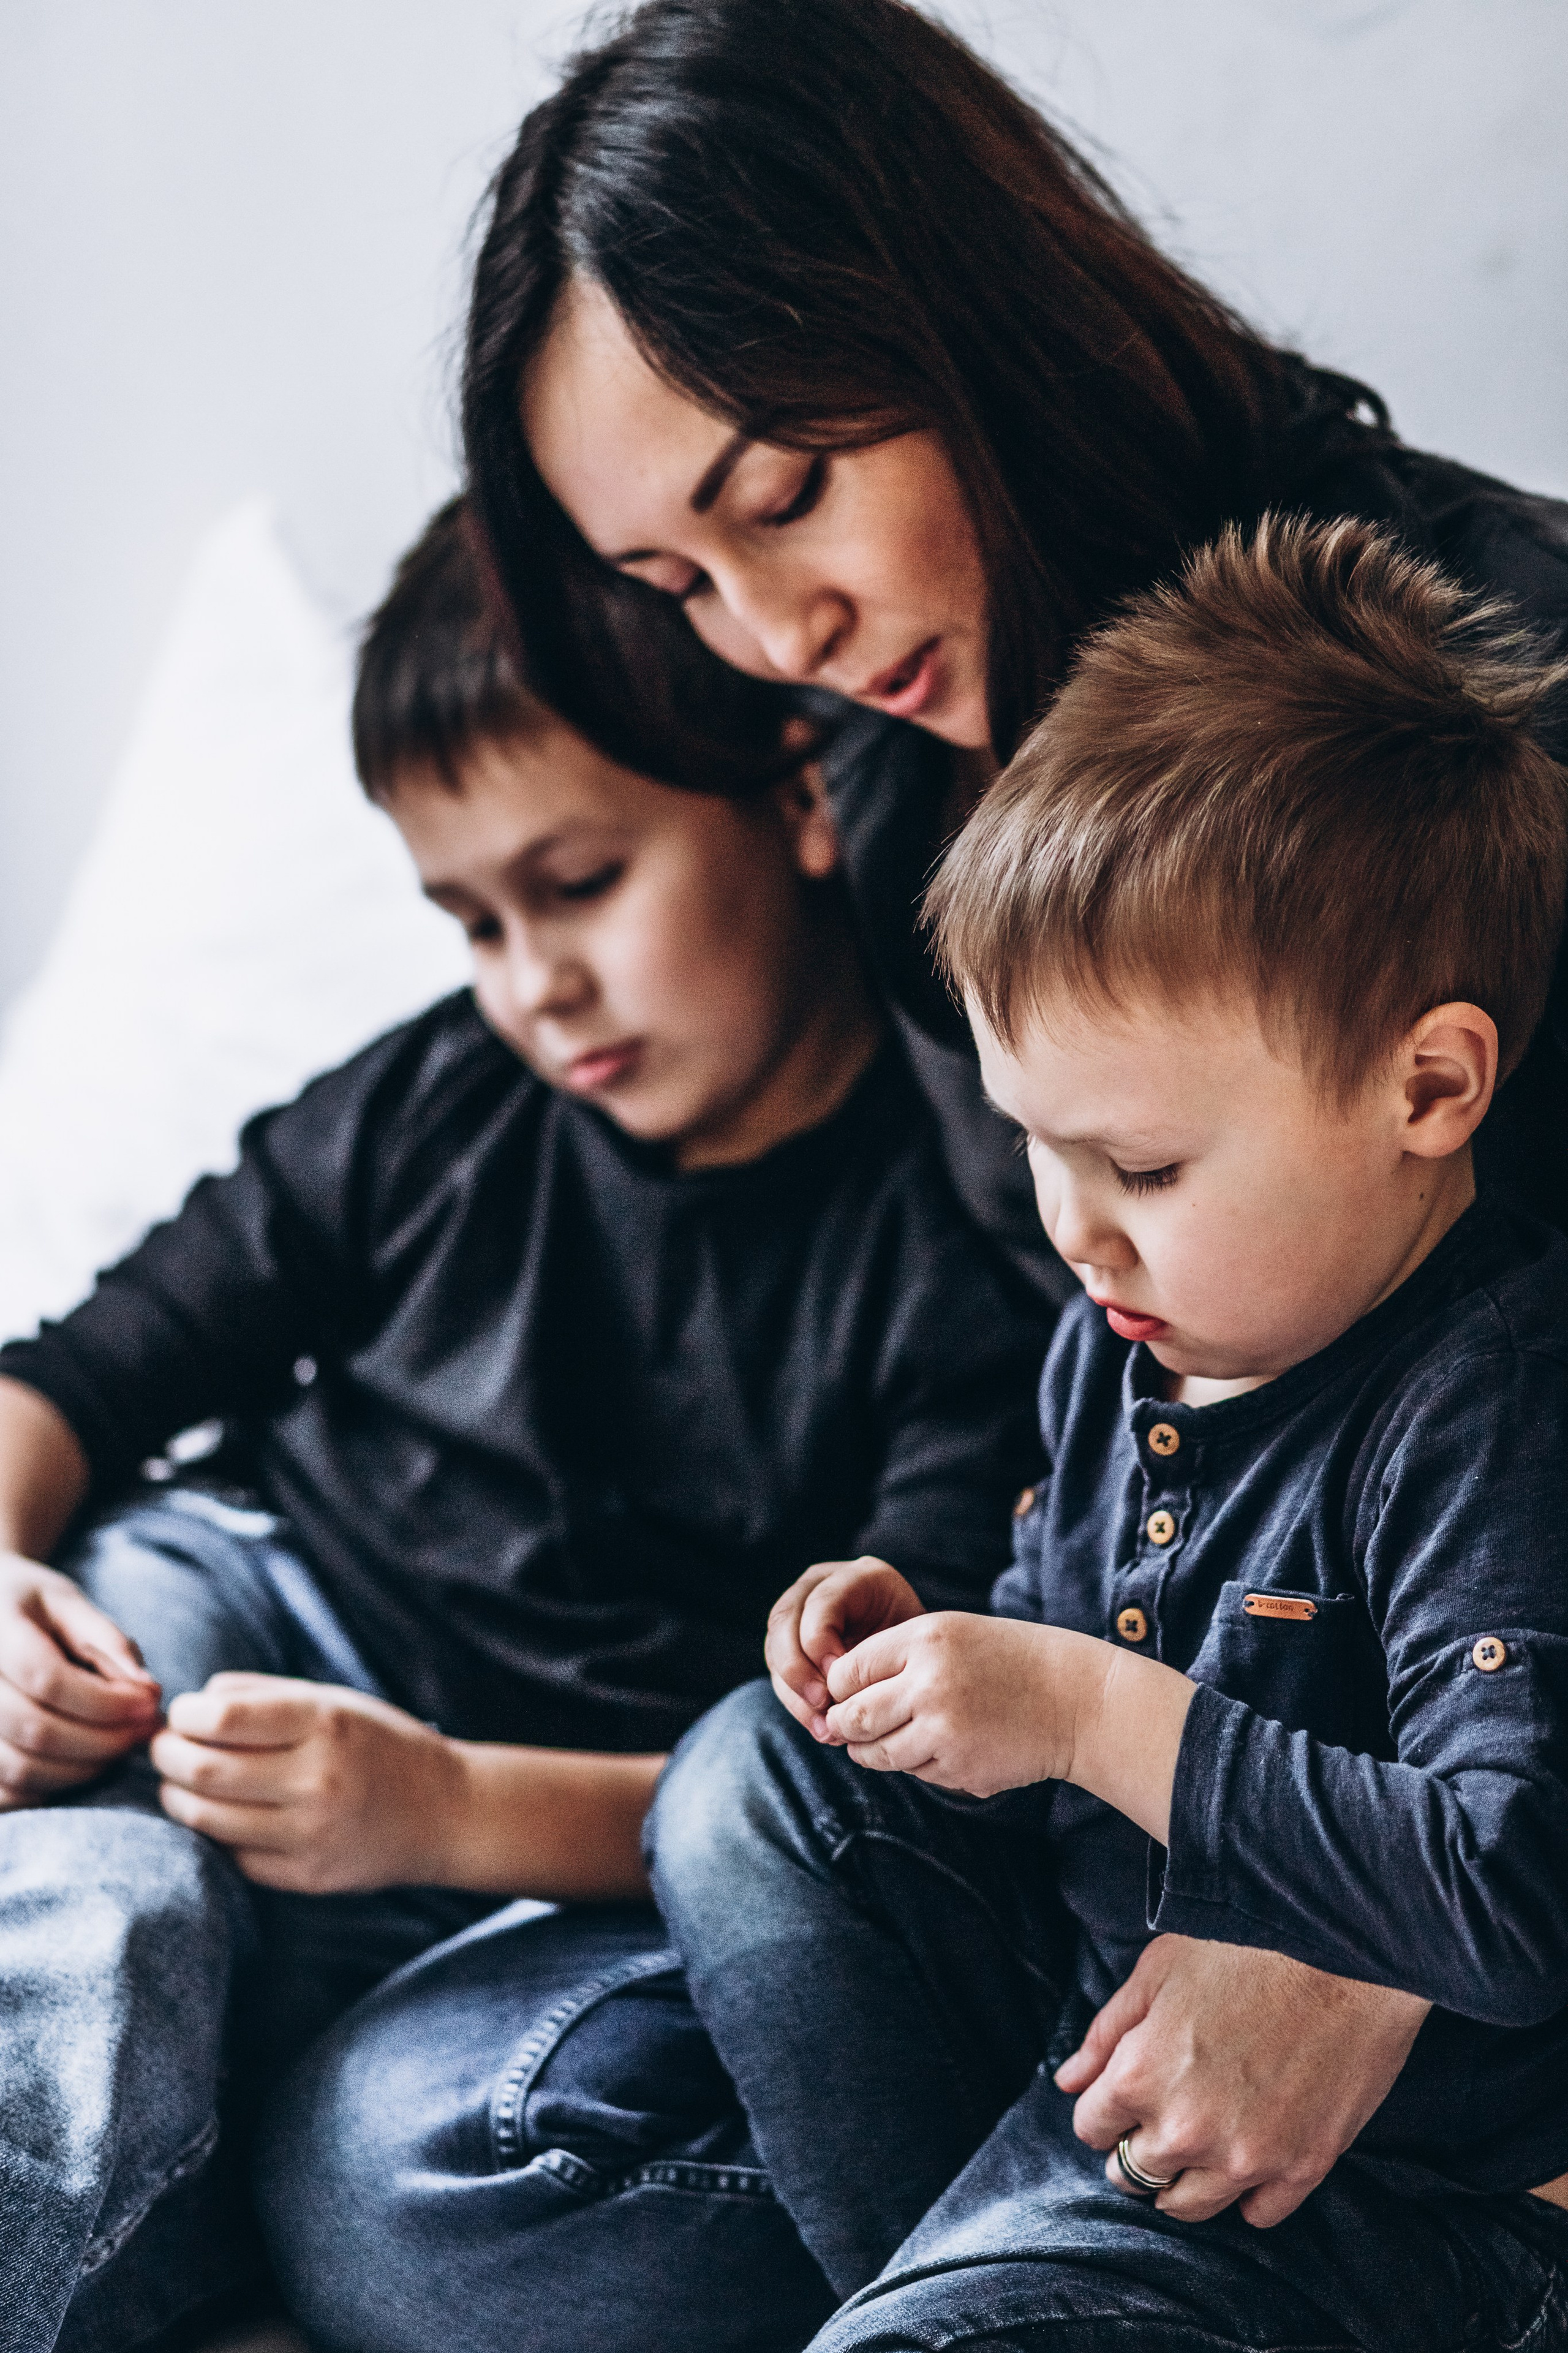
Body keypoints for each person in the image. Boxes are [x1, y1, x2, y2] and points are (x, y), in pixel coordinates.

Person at [456, 0, 1568, 2259]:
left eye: (785, 495)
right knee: (440, 2155)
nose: (776, 628)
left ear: (973, 316)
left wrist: (1353, 1924)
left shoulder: (1485, 705)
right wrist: (923, 1627)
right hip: (1129, 1827)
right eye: (675, 581)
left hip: (1461, 1835)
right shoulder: (894, 793)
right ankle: (1064, 2265)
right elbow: (1065, 1398)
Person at [0, 499, 1049, 2353]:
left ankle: (184, 2176)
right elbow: (80, 1375)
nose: (530, 982)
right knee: (99, 1882)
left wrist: (437, 1806)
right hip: (256, 1652)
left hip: (571, 1852)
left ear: (803, 794)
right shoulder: (439, 1100)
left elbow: (844, 1807)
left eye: (578, 886)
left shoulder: (961, 1253)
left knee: (397, 2171)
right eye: (470, 918)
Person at [650, 514, 1568, 2351]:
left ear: (1430, 1084)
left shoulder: (1489, 1397)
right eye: (1031, 1143)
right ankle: (978, 2282)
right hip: (1100, 2050)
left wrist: (1081, 1705)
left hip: (1411, 2196)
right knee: (752, 1776)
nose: (1074, 1227)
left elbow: (1512, 1887)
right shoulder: (1129, 1331)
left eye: (1141, 1163)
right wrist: (942, 1661)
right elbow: (1059, 1623)